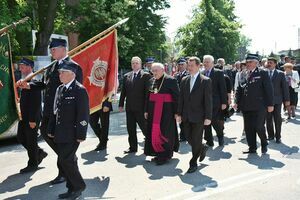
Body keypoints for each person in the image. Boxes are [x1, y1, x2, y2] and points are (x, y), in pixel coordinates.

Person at [17, 38, 83, 185]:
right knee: (48, 135)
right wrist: (29, 85)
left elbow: (77, 91)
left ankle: (64, 171)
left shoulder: (73, 66)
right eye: (51, 49)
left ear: (64, 49)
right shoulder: (53, 66)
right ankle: (69, 159)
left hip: (63, 113)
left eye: (54, 49)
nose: (51, 51)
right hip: (49, 111)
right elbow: (45, 85)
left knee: (60, 141)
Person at [47, 61, 89, 200]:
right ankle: (72, 188)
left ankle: (79, 186)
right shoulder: (60, 89)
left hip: (73, 132)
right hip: (60, 132)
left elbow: (83, 114)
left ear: (72, 74)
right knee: (67, 160)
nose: (60, 75)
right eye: (59, 72)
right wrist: (51, 129)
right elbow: (55, 111)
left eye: (63, 72)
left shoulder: (79, 90)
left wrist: (81, 134)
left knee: (66, 160)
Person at [177, 57, 212, 173]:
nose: (189, 68)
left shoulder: (205, 80)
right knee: (188, 138)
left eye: (192, 65)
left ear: (198, 66)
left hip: (199, 116)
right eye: (188, 65)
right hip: (186, 115)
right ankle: (202, 148)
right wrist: (178, 114)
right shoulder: (184, 80)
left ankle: (193, 162)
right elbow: (181, 98)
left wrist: (208, 117)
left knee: (196, 139)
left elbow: (208, 101)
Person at [235, 53, 274, 154]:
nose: (248, 64)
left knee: (258, 126)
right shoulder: (243, 73)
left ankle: (264, 143)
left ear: (256, 63)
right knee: (248, 128)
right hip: (246, 105)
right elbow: (239, 89)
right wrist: (236, 102)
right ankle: (252, 147)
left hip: (260, 106)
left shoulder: (263, 73)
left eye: (250, 62)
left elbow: (269, 90)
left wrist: (270, 104)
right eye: (247, 62)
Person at [144, 62, 180, 165]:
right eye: (153, 70)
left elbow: (177, 97)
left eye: (156, 70)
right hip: (153, 111)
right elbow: (148, 96)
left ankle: (165, 156)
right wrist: (146, 110)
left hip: (166, 112)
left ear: (163, 70)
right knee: (153, 132)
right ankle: (157, 153)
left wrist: (177, 112)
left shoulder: (170, 80)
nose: (154, 73)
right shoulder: (151, 80)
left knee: (165, 133)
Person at [17, 57, 47, 173]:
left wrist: (33, 119)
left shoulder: (34, 79)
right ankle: (39, 152)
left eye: (23, 66)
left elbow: (36, 102)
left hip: (31, 117)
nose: (20, 68)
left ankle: (33, 164)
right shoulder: (24, 79)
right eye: (20, 66)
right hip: (24, 116)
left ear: (30, 67)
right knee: (21, 137)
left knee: (31, 140)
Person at [119, 56, 151, 153]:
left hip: (141, 109)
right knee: (131, 129)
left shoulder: (146, 75)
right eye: (133, 63)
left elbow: (147, 94)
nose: (134, 65)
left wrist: (147, 109)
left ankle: (151, 147)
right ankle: (132, 147)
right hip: (129, 108)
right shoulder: (126, 76)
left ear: (140, 64)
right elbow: (123, 92)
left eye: (137, 63)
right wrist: (121, 104)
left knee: (145, 129)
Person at [203, 55, 227, 147]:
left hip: (215, 103)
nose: (205, 63)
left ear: (212, 63)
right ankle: (209, 140)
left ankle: (220, 136)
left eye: (207, 62)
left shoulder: (218, 73)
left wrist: (224, 102)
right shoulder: (201, 73)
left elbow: (223, 88)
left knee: (214, 121)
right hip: (204, 103)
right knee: (205, 122)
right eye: (204, 61)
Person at [265, 57, 290, 143]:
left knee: (277, 118)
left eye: (270, 62)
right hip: (266, 101)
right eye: (268, 62)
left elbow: (285, 88)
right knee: (268, 119)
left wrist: (287, 100)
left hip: (277, 100)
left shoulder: (280, 74)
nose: (268, 64)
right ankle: (270, 135)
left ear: (275, 64)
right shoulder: (264, 73)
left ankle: (278, 136)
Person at [174, 58, 189, 142]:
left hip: (186, 100)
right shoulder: (176, 75)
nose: (180, 66)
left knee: (185, 118)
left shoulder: (188, 74)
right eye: (179, 64)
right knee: (180, 118)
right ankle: (183, 134)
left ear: (186, 65)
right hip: (178, 100)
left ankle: (185, 134)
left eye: (182, 64)